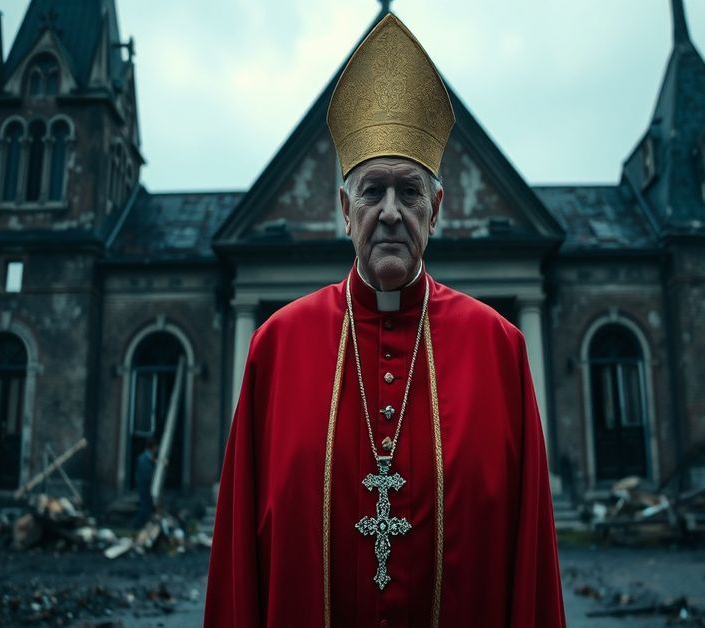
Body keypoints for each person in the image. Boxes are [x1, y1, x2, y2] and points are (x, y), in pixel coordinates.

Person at [205, 14, 564, 627]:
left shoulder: (499, 350)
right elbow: (240, 561)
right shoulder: (276, 348)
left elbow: (529, 559)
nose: (392, 212)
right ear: (345, 210)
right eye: (372, 192)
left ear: (437, 209)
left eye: (410, 192)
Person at [132, 437, 158, 529]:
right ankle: (137, 524)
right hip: (144, 485)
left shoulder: (147, 458)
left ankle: (142, 524)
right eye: (155, 447)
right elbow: (146, 473)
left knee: (147, 505)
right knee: (145, 505)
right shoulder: (143, 458)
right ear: (153, 447)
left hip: (145, 485)